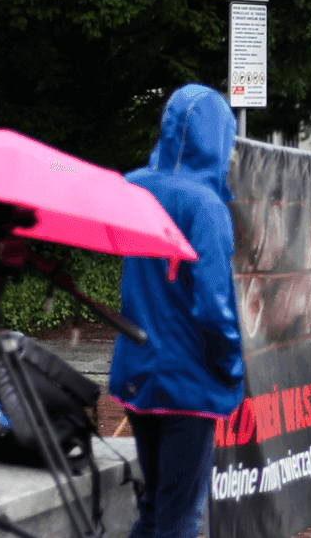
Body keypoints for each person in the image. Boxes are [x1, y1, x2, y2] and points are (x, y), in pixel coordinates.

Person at [109, 83, 246, 538]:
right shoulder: (206, 206)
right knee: (181, 515)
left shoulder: (135, 186)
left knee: (154, 508)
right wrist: (230, 365)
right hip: (188, 377)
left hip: (140, 367)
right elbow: (212, 303)